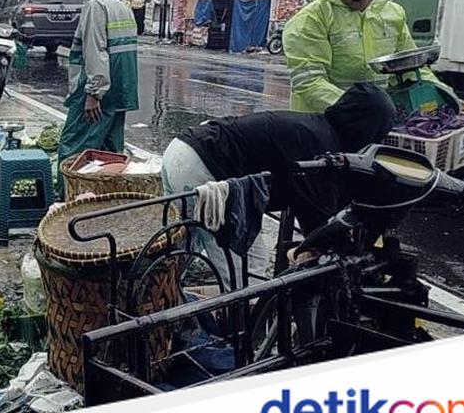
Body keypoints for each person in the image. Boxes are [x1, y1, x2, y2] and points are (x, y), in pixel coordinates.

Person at [160, 83, 398, 286]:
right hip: (204, 165)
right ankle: (242, 329)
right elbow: (317, 215)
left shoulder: (316, 128)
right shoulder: (321, 145)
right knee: (248, 260)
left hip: (184, 151)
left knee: (186, 242)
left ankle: (160, 295)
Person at [283, 0, 458, 113]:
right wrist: (363, 110)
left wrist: (447, 96)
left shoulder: (392, 13)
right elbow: (309, 82)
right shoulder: (311, 20)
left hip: (373, 122)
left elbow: (412, 68)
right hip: (322, 123)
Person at [57, 0, 139, 185]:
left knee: (74, 150)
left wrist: (94, 93)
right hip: (120, 92)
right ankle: (107, 202)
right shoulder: (122, 7)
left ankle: (67, 201)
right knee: (111, 154)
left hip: (98, 93)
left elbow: (95, 51)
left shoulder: (95, 6)